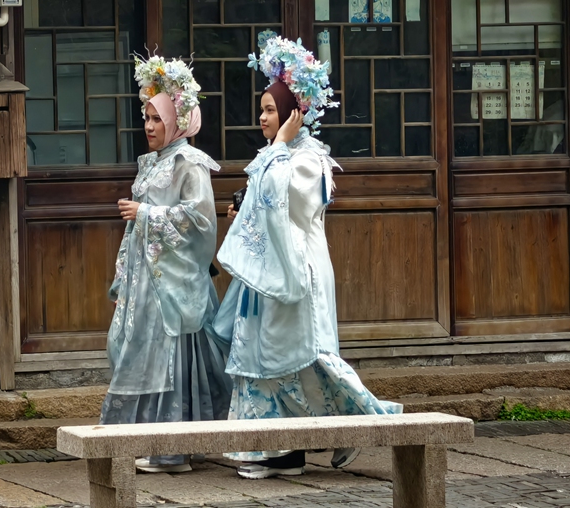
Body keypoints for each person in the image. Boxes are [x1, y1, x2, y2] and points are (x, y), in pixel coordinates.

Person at [213, 36, 401, 480]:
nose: (262, 118)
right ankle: (274, 449)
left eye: (271, 110)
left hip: (298, 273)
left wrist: (278, 150)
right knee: (261, 360)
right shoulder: (276, 156)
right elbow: (263, 203)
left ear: (294, 114)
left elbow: (287, 205)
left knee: (303, 358)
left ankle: (362, 424)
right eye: (261, 110)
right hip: (267, 276)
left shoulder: (309, 160)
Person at [101, 55, 232, 475]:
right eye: (146, 117)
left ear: (177, 119)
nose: (150, 126)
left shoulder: (189, 163)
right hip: (146, 276)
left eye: (157, 118)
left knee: (168, 356)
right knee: (138, 352)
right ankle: (147, 440)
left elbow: (200, 221)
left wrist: (146, 214)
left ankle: (171, 448)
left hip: (172, 278)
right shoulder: (152, 162)